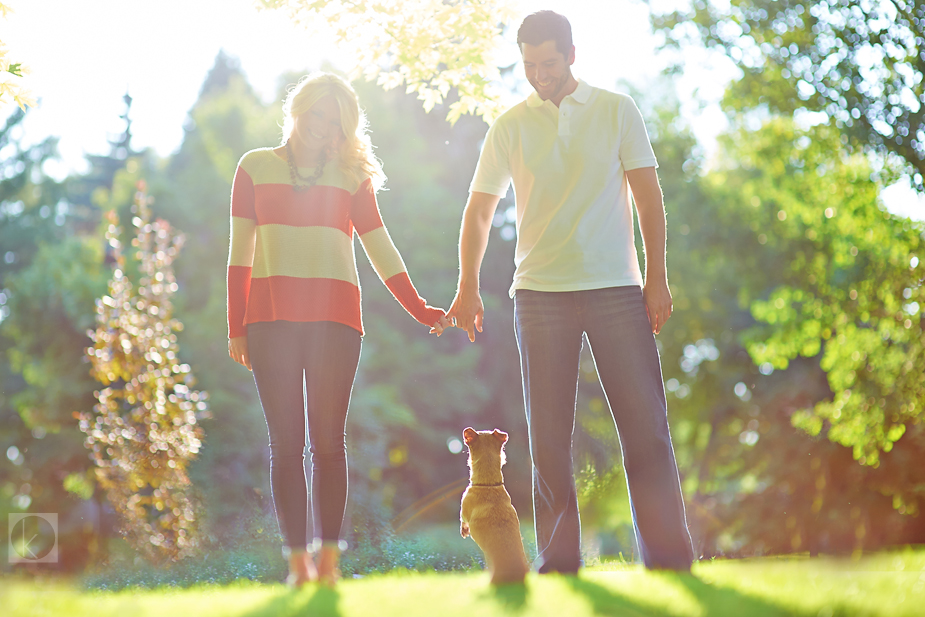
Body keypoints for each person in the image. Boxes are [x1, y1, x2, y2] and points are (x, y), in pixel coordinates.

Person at [448, 11, 695, 573]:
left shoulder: (616, 110)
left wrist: (656, 277)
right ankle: (558, 562)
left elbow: (648, 197)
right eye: (530, 65)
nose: (539, 75)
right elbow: (480, 209)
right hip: (539, 294)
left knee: (646, 431)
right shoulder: (510, 125)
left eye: (549, 64)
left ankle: (668, 558)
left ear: (572, 55)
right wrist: (467, 285)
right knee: (549, 440)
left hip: (616, 288)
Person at [227, 72, 450, 586]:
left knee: (328, 443)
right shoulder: (254, 167)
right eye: (317, 114)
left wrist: (419, 308)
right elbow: (240, 254)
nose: (323, 128)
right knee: (286, 443)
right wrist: (236, 325)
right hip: (270, 320)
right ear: (297, 109)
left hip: (335, 321)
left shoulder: (351, 175)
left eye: (335, 121)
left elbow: (380, 246)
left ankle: (328, 561)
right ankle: (296, 562)